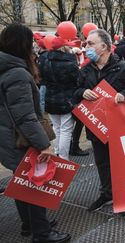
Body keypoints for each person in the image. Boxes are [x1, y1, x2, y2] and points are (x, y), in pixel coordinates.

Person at [0, 23, 70, 243]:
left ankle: (28, 224)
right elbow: (25, 116)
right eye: (30, 41)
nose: (33, 45)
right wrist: (44, 145)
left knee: (21, 180)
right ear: (21, 44)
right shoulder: (18, 73)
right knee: (36, 182)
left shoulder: (6, 67)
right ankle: (42, 233)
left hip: (9, 136)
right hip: (20, 138)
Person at [74, 29, 125, 212]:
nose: (86, 46)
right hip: (96, 125)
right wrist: (81, 93)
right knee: (102, 162)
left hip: (119, 127)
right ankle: (107, 194)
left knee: (121, 163)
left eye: (91, 43)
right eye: (86, 43)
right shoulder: (86, 69)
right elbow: (73, 91)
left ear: (105, 46)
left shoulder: (123, 68)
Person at [40, 37, 79, 160]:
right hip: (66, 100)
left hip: (51, 99)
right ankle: (63, 158)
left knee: (56, 128)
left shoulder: (45, 60)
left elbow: (42, 79)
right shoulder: (70, 62)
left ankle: (57, 154)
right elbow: (77, 80)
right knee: (66, 130)